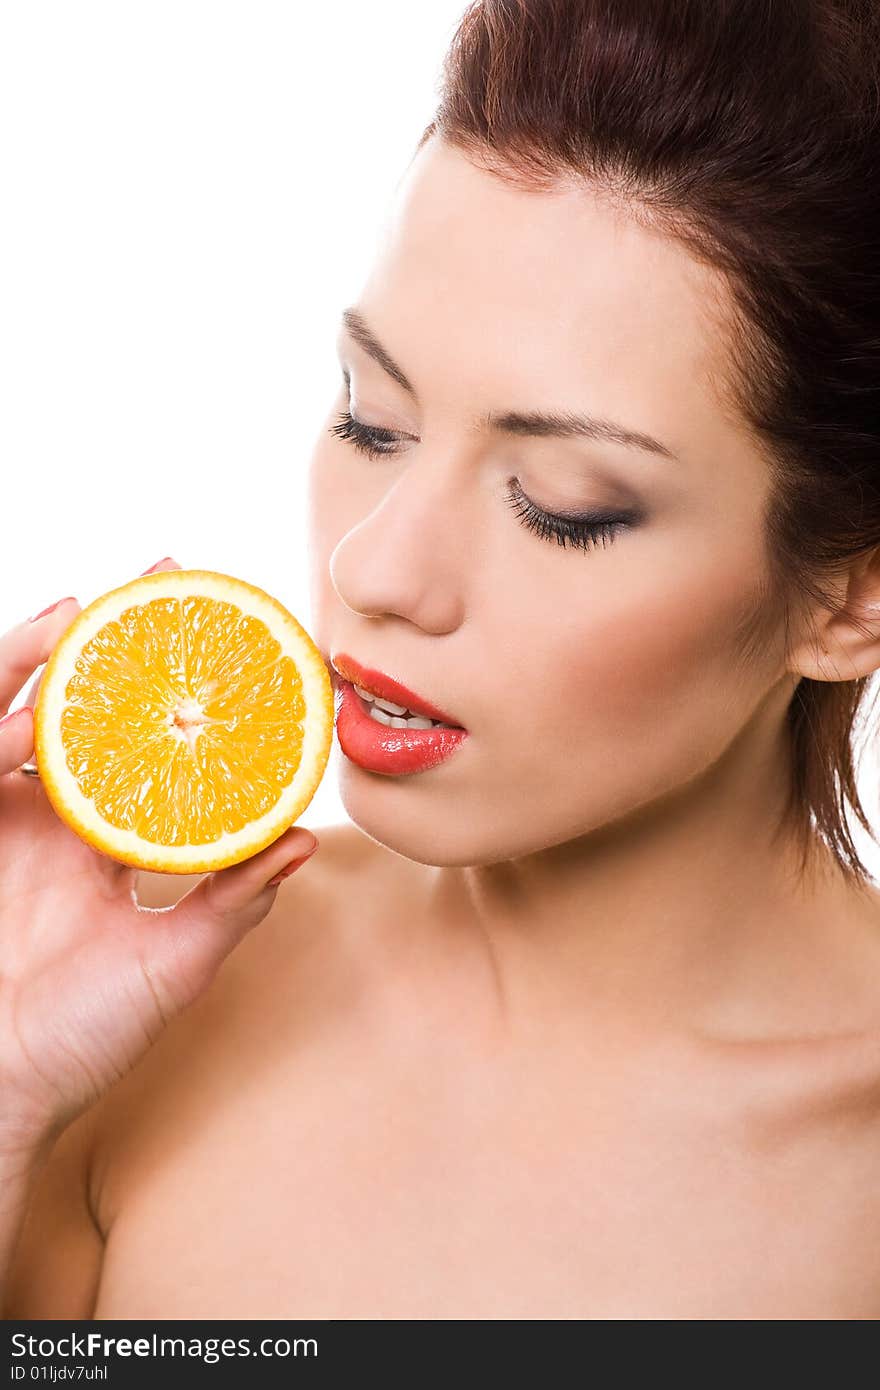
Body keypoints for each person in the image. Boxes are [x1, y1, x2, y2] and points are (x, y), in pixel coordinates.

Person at [3, 0, 880, 1320]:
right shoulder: (128, 1010)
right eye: (373, 416)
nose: (375, 569)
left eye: (560, 502)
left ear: (851, 593)